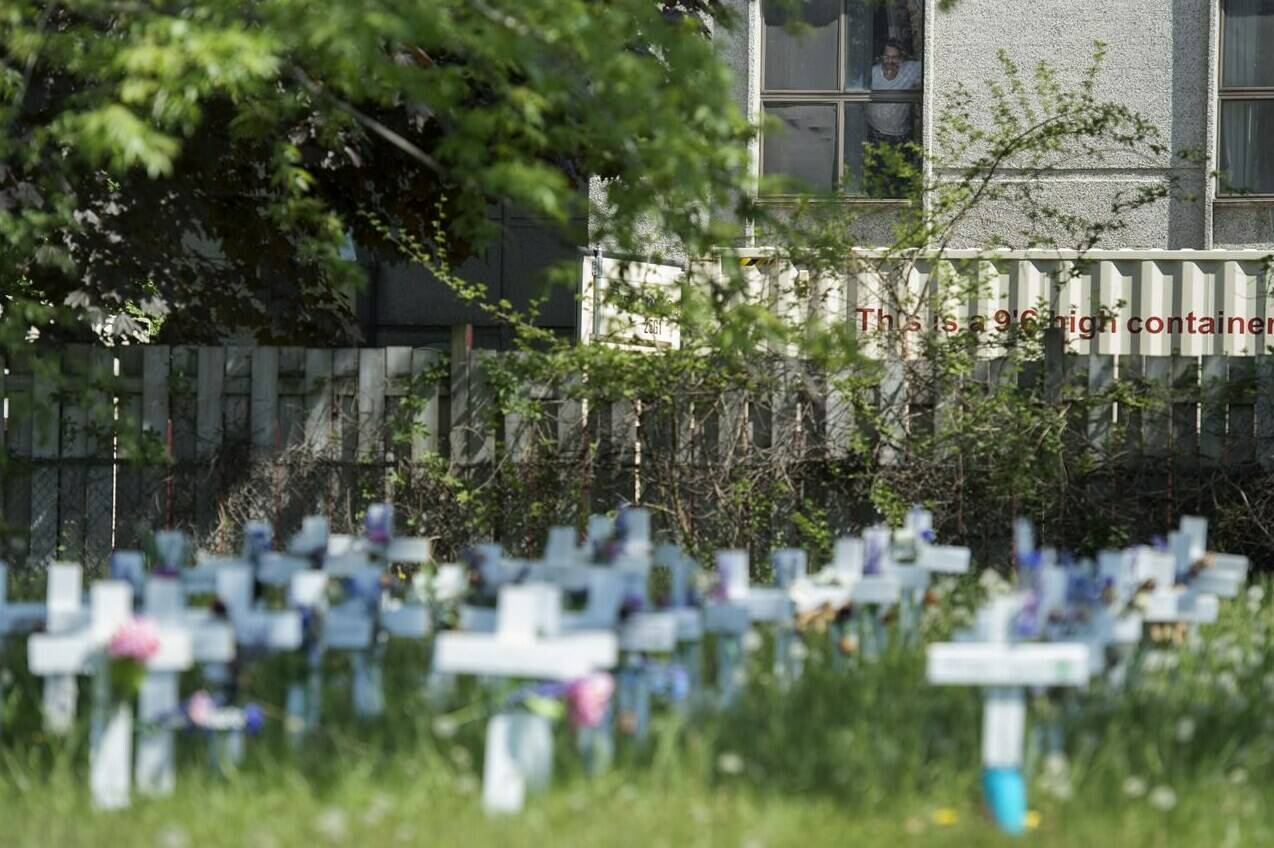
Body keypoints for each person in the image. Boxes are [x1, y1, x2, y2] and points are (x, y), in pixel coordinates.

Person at [864, 39, 922, 197]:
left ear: (902, 58)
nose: (890, 61)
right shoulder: (872, 73)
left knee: (899, 183)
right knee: (877, 182)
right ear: (882, 57)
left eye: (895, 57)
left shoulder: (910, 70)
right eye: (887, 57)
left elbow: (931, 62)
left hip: (900, 137)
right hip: (875, 135)